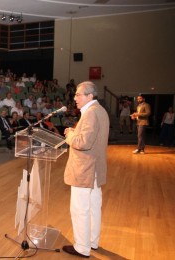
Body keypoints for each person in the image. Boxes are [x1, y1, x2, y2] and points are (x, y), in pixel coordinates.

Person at [62, 81, 109, 258]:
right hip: (95, 169)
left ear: (90, 96)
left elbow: (83, 143)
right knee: (94, 207)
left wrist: (70, 134)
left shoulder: (90, 113)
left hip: (85, 170)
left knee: (80, 209)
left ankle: (82, 247)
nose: (75, 98)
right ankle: (92, 241)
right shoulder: (100, 111)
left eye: (78, 95)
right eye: (75, 95)